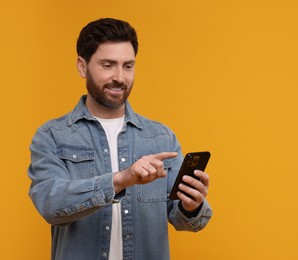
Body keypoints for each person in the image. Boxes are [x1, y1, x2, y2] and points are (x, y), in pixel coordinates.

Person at [28, 18, 212, 260]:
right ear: (82, 67)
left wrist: (192, 206)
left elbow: (184, 220)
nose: (119, 77)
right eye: (107, 65)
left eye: (128, 66)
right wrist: (120, 180)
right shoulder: (52, 136)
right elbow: (51, 204)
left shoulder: (161, 137)